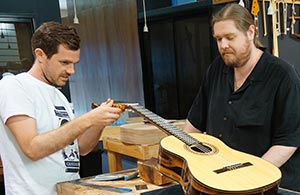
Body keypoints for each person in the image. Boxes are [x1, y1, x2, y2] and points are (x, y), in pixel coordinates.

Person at [184, 3, 300, 192]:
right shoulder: (216, 70)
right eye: (218, 39)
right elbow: (193, 126)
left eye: (230, 37)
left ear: (251, 32)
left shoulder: (283, 76)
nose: (223, 45)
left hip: (270, 186)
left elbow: (288, 142)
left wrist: (248, 179)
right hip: (220, 182)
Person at [0, 21, 123, 195]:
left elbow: (81, 148)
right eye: (64, 62)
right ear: (40, 55)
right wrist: (88, 119)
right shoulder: (14, 86)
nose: (71, 71)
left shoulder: (59, 96)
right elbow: (32, 148)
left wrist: (100, 121)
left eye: (74, 63)